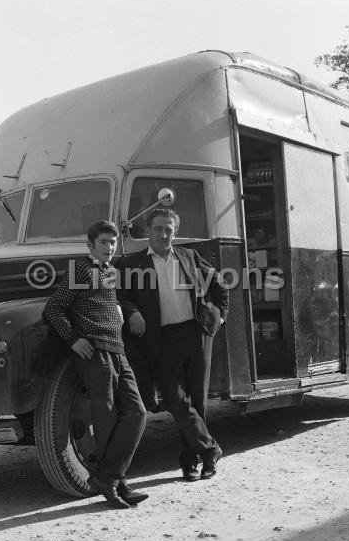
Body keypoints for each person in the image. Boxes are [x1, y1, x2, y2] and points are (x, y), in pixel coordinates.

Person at [117, 208, 229, 481]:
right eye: (158, 229)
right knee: (175, 400)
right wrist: (131, 311)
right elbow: (116, 295)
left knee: (198, 401)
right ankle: (210, 448)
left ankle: (194, 463)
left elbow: (220, 285)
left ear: (174, 232)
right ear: (147, 231)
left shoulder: (188, 256)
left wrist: (219, 318)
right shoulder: (130, 263)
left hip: (196, 335)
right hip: (162, 340)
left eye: (169, 230)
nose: (164, 234)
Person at [43, 220, 148, 509]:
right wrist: (73, 340)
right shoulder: (80, 270)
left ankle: (108, 477)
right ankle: (119, 483)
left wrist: (118, 310)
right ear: (90, 245)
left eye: (113, 243)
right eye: (103, 242)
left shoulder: (109, 273)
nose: (109, 247)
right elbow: (53, 309)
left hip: (118, 350)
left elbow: (105, 303)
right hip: (95, 351)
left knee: (138, 413)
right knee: (106, 419)